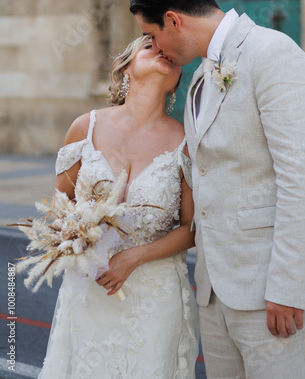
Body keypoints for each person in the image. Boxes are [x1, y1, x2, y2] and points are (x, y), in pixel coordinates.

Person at [130, 0, 305, 379]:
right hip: (215, 294)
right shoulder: (203, 75)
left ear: (173, 20)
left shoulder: (274, 54)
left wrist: (289, 289)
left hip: (274, 297)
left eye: (152, 35)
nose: (155, 47)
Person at [38, 35, 199, 379]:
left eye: (170, 52)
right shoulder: (85, 128)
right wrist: (75, 238)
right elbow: (59, 210)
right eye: (149, 46)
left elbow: (191, 229)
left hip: (156, 297)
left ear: (176, 85)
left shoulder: (187, 142)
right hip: (91, 293)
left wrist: (136, 256)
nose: (161, 50)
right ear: (125, 67)